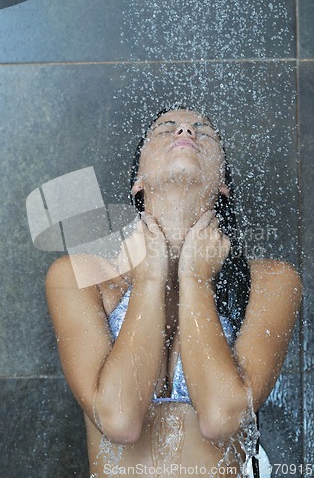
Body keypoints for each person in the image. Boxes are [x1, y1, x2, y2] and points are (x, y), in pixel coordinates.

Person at [45, 107, 302, 477]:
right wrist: (150, 275)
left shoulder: (271, 280)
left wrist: (196, 278)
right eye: (166, 129)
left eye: (204, 131)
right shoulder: (80, 276)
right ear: (138, 180)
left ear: (223, 183)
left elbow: (221, 417)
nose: (185, 129)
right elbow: (119, 420)